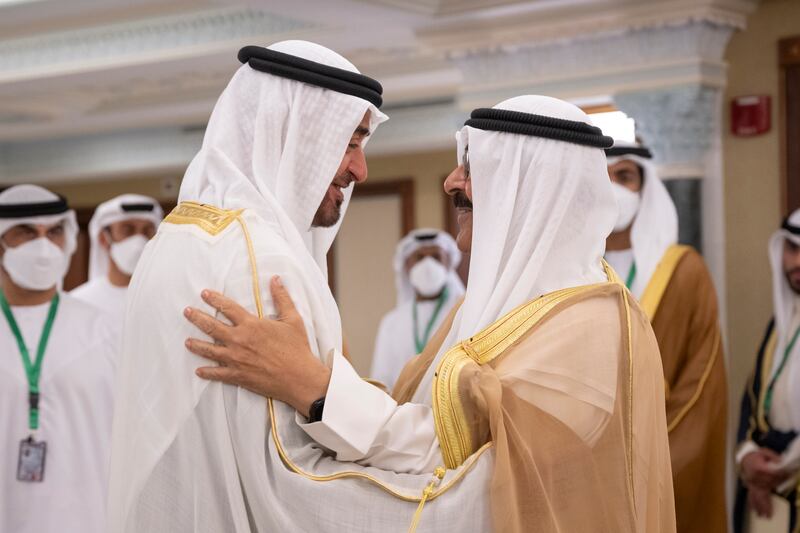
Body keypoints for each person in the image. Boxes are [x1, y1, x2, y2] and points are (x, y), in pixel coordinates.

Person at [182, 96, 676, 531]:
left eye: (473, 166)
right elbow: (419, 415)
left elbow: (470, 479)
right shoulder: (489, 305)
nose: (451, 182)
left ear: (531, 188)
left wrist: (313, 389)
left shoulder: (592, 324)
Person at [105, 40, 388, 532]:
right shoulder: (260, 261)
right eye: (349, 142)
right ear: (292, 132)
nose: (360, 170)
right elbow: (290, 476)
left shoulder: (178, 236)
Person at [605, 143, 728, 533]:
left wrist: (651, 463)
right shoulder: (577, 270)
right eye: (604, 178)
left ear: (646, 187)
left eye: (624, 176)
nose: (614, 188)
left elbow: (701, 381)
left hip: (663, 455)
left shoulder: (684, 271)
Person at [0, 185, 117, 533]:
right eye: (25, 233)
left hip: (88, 519)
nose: (43, 245)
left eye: (53, 232)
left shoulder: (108, 331)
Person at [734, 209, 800, 533]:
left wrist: (782, 468)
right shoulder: (779, 327)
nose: (797, 261)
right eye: (792, 248)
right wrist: (748, 459)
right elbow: (754, 398)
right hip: (772, 494)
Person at [371, 228, 464, 389]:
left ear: (448, 263)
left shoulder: (463, 314)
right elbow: (381, 381)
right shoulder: (391, 323)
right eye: (419, 257)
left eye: (436, 257)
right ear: (407, 265)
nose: (428, 265)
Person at [71, 194, 162, 326]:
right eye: (127, 230)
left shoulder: (170, 297)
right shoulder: (79, 302)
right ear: (103, 239)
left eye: (147, 231)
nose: (138, 241)